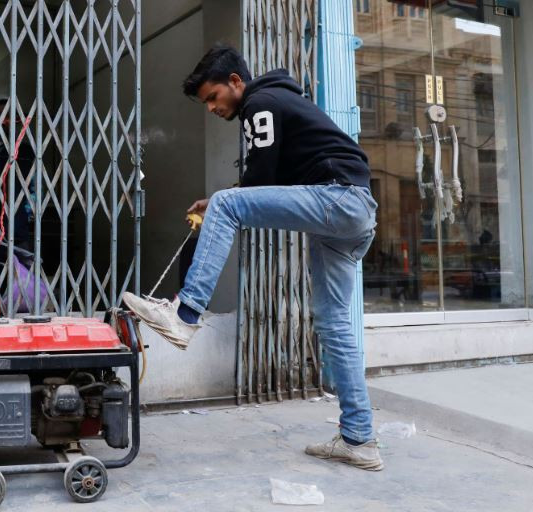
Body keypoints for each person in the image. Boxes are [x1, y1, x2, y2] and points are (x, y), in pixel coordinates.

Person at [122, 45, 381, 471]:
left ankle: (184, 316)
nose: (210, 107)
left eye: (213, 97)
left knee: (226, 204)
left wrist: (223, 202)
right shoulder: (280, 100)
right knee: (333, 322)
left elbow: (257, 180)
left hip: (338, 200)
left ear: (236, 83)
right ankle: (360, 439)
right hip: (353, 210)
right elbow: (265, 178)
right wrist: (224, 201)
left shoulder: (259, 102)